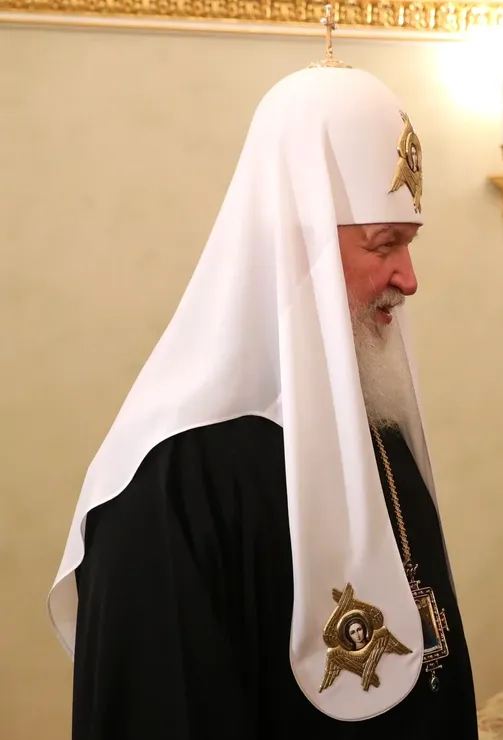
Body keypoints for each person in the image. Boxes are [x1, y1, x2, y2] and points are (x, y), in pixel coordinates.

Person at [46, 26, 477, 740]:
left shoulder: (379, 436)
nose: (408, 278)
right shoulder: (171, 483)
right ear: (298, 246)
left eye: (409, 244)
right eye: (385, 245)